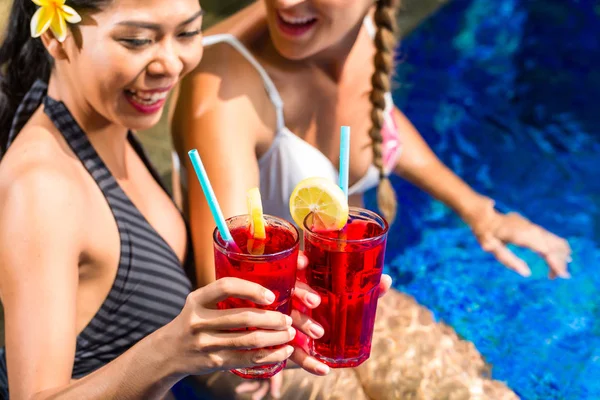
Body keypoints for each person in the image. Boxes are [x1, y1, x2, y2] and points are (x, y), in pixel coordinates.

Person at [171, 0, 572, 398]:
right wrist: (271, 330)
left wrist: (476, 208)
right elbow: (224, 279)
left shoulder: (355, 35)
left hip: (349, 299)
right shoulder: (225, 85)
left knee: (476, 392)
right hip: (260, 332)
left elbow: (381, 122)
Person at [0, 0, 351, 397]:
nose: (170, 64)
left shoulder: (105, 122)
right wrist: (173, 352)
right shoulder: (42, 188)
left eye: (187, 32)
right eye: (136, 40)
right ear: (54, 36)